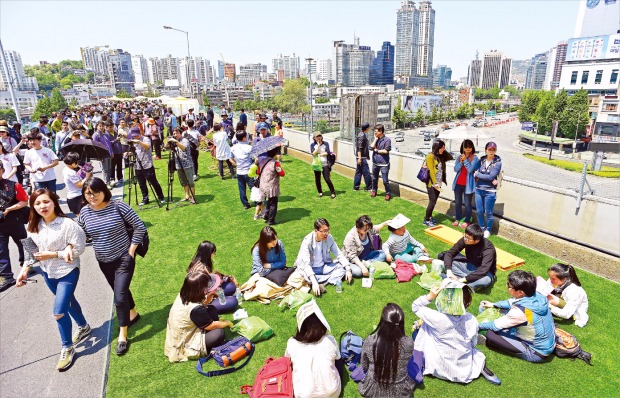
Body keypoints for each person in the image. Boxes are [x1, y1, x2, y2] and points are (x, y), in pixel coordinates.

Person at [16, 188, 91, 371]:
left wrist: (54, 254)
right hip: (48, 273)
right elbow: (31, 252)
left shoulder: (67, 224)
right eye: (38, 203)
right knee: (69, 302)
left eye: (46, 202)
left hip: (68, 271)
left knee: (58, 311)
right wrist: (24, 270)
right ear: (33, 207)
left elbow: (79, 248)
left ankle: (67, 347)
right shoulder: (33, 226)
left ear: (54, 202)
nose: (43, 206)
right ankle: (83, 326)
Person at [77, 177, 146, 355]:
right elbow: (81, 234)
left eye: (96, 193)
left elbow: (139, 227)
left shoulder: (118, 206)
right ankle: (133, 314)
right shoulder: (84, 212)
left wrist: (131, 250)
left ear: (104, 191)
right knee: (119, 290)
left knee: (119, 296)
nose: (92, 197)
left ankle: (123, 335)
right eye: (88, 194)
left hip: (124, 257)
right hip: (103, 260)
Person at [411, 281, 501, 385]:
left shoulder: (435, 317)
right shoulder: (471, 319)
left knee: (418, 332)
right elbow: (473, 343)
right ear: (467, 303)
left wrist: (430, 296)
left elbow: (416, 306)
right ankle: (482, 368)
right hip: (464, 369)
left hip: (439, 368)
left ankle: (418, 364)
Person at [479, 270, 556, 363]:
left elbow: (494, 326)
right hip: (547, 343)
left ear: (520, 292)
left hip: (536, 352)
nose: (507, 286)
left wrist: (476, 325)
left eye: (509, 285)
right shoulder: (538, 296)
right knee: (505, 312)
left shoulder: (521, 312)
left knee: (490, 334)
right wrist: (493, 304)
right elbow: (511, 302)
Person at [164, 272, 232, 363]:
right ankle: (204, 347)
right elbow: (212, 326)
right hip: (184, 343)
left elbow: (204, 304)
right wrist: (227, 323)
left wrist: (211, 293)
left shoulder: (186, 293)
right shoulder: (195, 309)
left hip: (183, 332)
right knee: (219, 333)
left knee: (211, 310)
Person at [285, 300, 341, 398]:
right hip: (332, 393)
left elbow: (287, 364)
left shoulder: (292, 343)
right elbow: (339, 362)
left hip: (303, 394)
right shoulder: (329, 340)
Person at [358, 303, 415, 397]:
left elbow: (364, 366)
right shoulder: (409, 343)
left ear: (383, 322)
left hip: (373, 389)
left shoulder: (370, 340)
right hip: (399, 392)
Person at [294, 218, 351, 296]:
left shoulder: (329, 238)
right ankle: (324, 280)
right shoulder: (307, 242)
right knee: (307, 277)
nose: (326, 233)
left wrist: (348, 269)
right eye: (323, 231)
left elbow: (338, 253)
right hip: (310, 269)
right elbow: (306, 264)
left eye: (327, 230)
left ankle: (322, 283)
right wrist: (314, 281)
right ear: (316, 231)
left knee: (342, 267)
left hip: (324, 267)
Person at [435, 224, 496, 291]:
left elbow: (483, 270)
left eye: (468, 238)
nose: (465, 239)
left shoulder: (488, 249)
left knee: (485, 281)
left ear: (477, 240)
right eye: (465, 236)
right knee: (448, 262)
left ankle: (458, 282)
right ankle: (461, 281)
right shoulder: (465, 239)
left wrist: (463, 279)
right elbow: (450, 253)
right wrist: (449, 271)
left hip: (484, 273)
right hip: (468, 266)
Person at [186, 240, 239, 313]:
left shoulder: (197, 263)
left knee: (231, 287)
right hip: (200, 302)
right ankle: (211, 306)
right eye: (213, 253)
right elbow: (206, 290)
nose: (213, 255)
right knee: (233, 301)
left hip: (204, 292)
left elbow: (209, 283)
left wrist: (221, 279)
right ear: (208, 254)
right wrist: (218, 285)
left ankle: (218, 299)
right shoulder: (201, 270)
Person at [0, 163, 28, 291]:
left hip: (15, 220)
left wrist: (9, 209)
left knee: (22, 243)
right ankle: (6, 276)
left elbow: (24, 201)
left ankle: (26, 264)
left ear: (2, 170)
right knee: (1, 251)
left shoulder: (13, 185)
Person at [129, 125, 166, 206]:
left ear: (139, 133)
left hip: (147, 164)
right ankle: (145, 198)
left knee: (153, 182)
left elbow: (147, 147)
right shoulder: (132, 141)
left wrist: (138, 141)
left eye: (136, 135)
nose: (135, 136)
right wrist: (128, 153)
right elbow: (134, 151)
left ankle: (161, 197)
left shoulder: (145, 139)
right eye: (133, 135)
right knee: (142, 183)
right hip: (138, 165)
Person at [547, 263, 589, 327]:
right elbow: (546, 287)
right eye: (549, 277)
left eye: (553, 278)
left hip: (573, 312)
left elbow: (566, 314)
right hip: (562, 299)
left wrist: (549, 306)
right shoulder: (556, 280)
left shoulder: (574, 291)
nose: (550, 280)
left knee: (549, 298)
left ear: (564, 279)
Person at [475, 142, 502, 238]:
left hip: (490, 192)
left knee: (488, 213)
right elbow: (476, 171)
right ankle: (482, 228)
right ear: (486, 150)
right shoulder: (481, 160)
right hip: (478, 189)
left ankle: (488, 230)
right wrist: (488, 178)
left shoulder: (498, 163)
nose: (491, 151)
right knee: (479, 211)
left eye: (493, 149)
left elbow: (491, 176)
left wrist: (478, 175)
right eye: (489, 149)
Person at [424, 140, 453, 227]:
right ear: (437, 148)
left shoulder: (441, 156)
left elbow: (450, 157)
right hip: (432, 183)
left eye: (444, 148)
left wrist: (443, 151)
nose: (443, 149)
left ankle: (429, 217)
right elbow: (431, 171)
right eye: (442, 147)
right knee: (432, 201)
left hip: (439, 182)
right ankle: (426, 219)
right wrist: (435, 183)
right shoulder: (430, 156)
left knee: (434, 201)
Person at [452, 139, 479, 228]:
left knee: (467, 204)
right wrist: (461, 162)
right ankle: (458, 218)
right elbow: (455, 169)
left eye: (470, 147)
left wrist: (466, 161)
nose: (468, 148)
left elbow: (471, 170)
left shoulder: (474, 158)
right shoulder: (459, 157)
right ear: (463, 148)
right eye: (466, 146)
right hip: (458, 183)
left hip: (468, 185)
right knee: (458, 203)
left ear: (472, 148)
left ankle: (467, 220)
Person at [168, 128, 196, 204]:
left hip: (187, 164)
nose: (175, 135)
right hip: (178, 165)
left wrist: (176, 142)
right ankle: (187, 196)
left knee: (190, 182)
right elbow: (166, 146)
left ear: (180, 133)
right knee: (183, 182)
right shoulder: (174, 141)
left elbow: (184, 148)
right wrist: (169, 141)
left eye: (176, 133)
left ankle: (193, 197)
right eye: (174, 133)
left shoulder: (185, 140)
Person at [230, 131, 255, 210]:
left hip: (239, 171)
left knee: (242, 189)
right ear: (244, 138)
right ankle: (257, 201)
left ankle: (245, 204)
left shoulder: (233, 148)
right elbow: (255, 158)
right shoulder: (249, 147)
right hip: (248, 171)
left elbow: (230, 158)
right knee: (253, 188)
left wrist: (236, 164)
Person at [258, 147, 283, 226]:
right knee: (273, 203)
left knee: (269, 201)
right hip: (271, 187)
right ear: (275, 154)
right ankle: (271, 220)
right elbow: (282, 173)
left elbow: (258, 171)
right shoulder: (275, 163)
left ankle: (266, 215)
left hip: (263, 185)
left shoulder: (262, 161)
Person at [62, 152, 92, 217]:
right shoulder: (70, 172)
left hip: (75, 196)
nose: (78, 163)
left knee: (84, 216)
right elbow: (79, 185)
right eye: (76, 161)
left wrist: (84, 169)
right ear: (71, 162)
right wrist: (87, 176)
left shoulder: (67, 169)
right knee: (83, 217)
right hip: (76, 197)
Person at [311, 131, 336, 199]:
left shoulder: (326, 144)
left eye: (320, 136)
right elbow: (313, 153)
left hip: (325, 164)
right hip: (317, 164)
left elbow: (327, 152)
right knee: (317, 179)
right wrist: (318, 146)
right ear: (314, 138)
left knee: (327, 179)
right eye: (317, 137)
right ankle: (320, 192)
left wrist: (319, 154)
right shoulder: (313, 145)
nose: (319, 138)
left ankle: (333, 192)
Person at [370, 124, 392, 201]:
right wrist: (375, 139)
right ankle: (374, 191)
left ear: (381, 131)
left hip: (384, 164)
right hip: (375, 163)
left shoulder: (387, 140)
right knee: (374, 179)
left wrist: (377, 150)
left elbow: (386, 151)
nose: (374, 133)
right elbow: (371, 147)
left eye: (376, 131)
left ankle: (388, 193)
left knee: (385, 180)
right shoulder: (376, 139)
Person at [353, 122, 372, 191]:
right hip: (361, 158)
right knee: (366, 172)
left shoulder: (363, 135)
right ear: (366, 128)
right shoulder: (361, 136)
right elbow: (359, 148)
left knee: (359, 172)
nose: (369, 129)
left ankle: (356, 187)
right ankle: (369, 187)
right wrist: (360, 158)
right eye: (369, 127)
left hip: (361, 157)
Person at [108, 122, 124, 186]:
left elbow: (119, 142)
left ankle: (120, 178)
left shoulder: (116, 133)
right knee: (112, 166)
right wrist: (116, 140)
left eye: (112, 126)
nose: (111, 128)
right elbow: (108, 143)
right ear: (107, 127)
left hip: (119, 151)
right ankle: (112, 179)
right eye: (110, 127)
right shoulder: (106, 135)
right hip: (113, 153)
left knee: (119, 165)